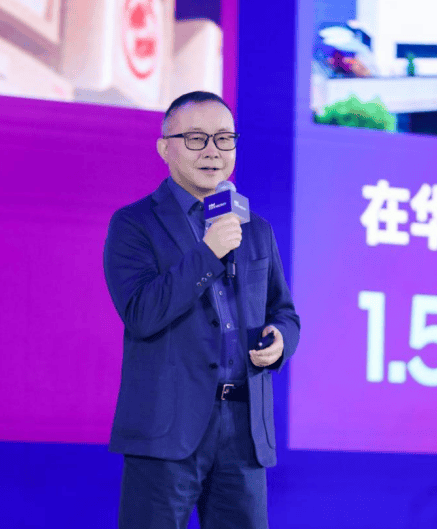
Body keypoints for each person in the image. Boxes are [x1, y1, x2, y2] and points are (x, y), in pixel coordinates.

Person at [103, 91, 300, 529]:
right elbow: (141, 312)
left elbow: (284, 311)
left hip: (244, 430)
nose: (212, 150)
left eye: (224, 138)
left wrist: (281, 340)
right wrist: (209, 252)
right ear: (164, 148)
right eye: (196, 138)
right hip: (166, 429)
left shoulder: (255, 228)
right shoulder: (134, 223)